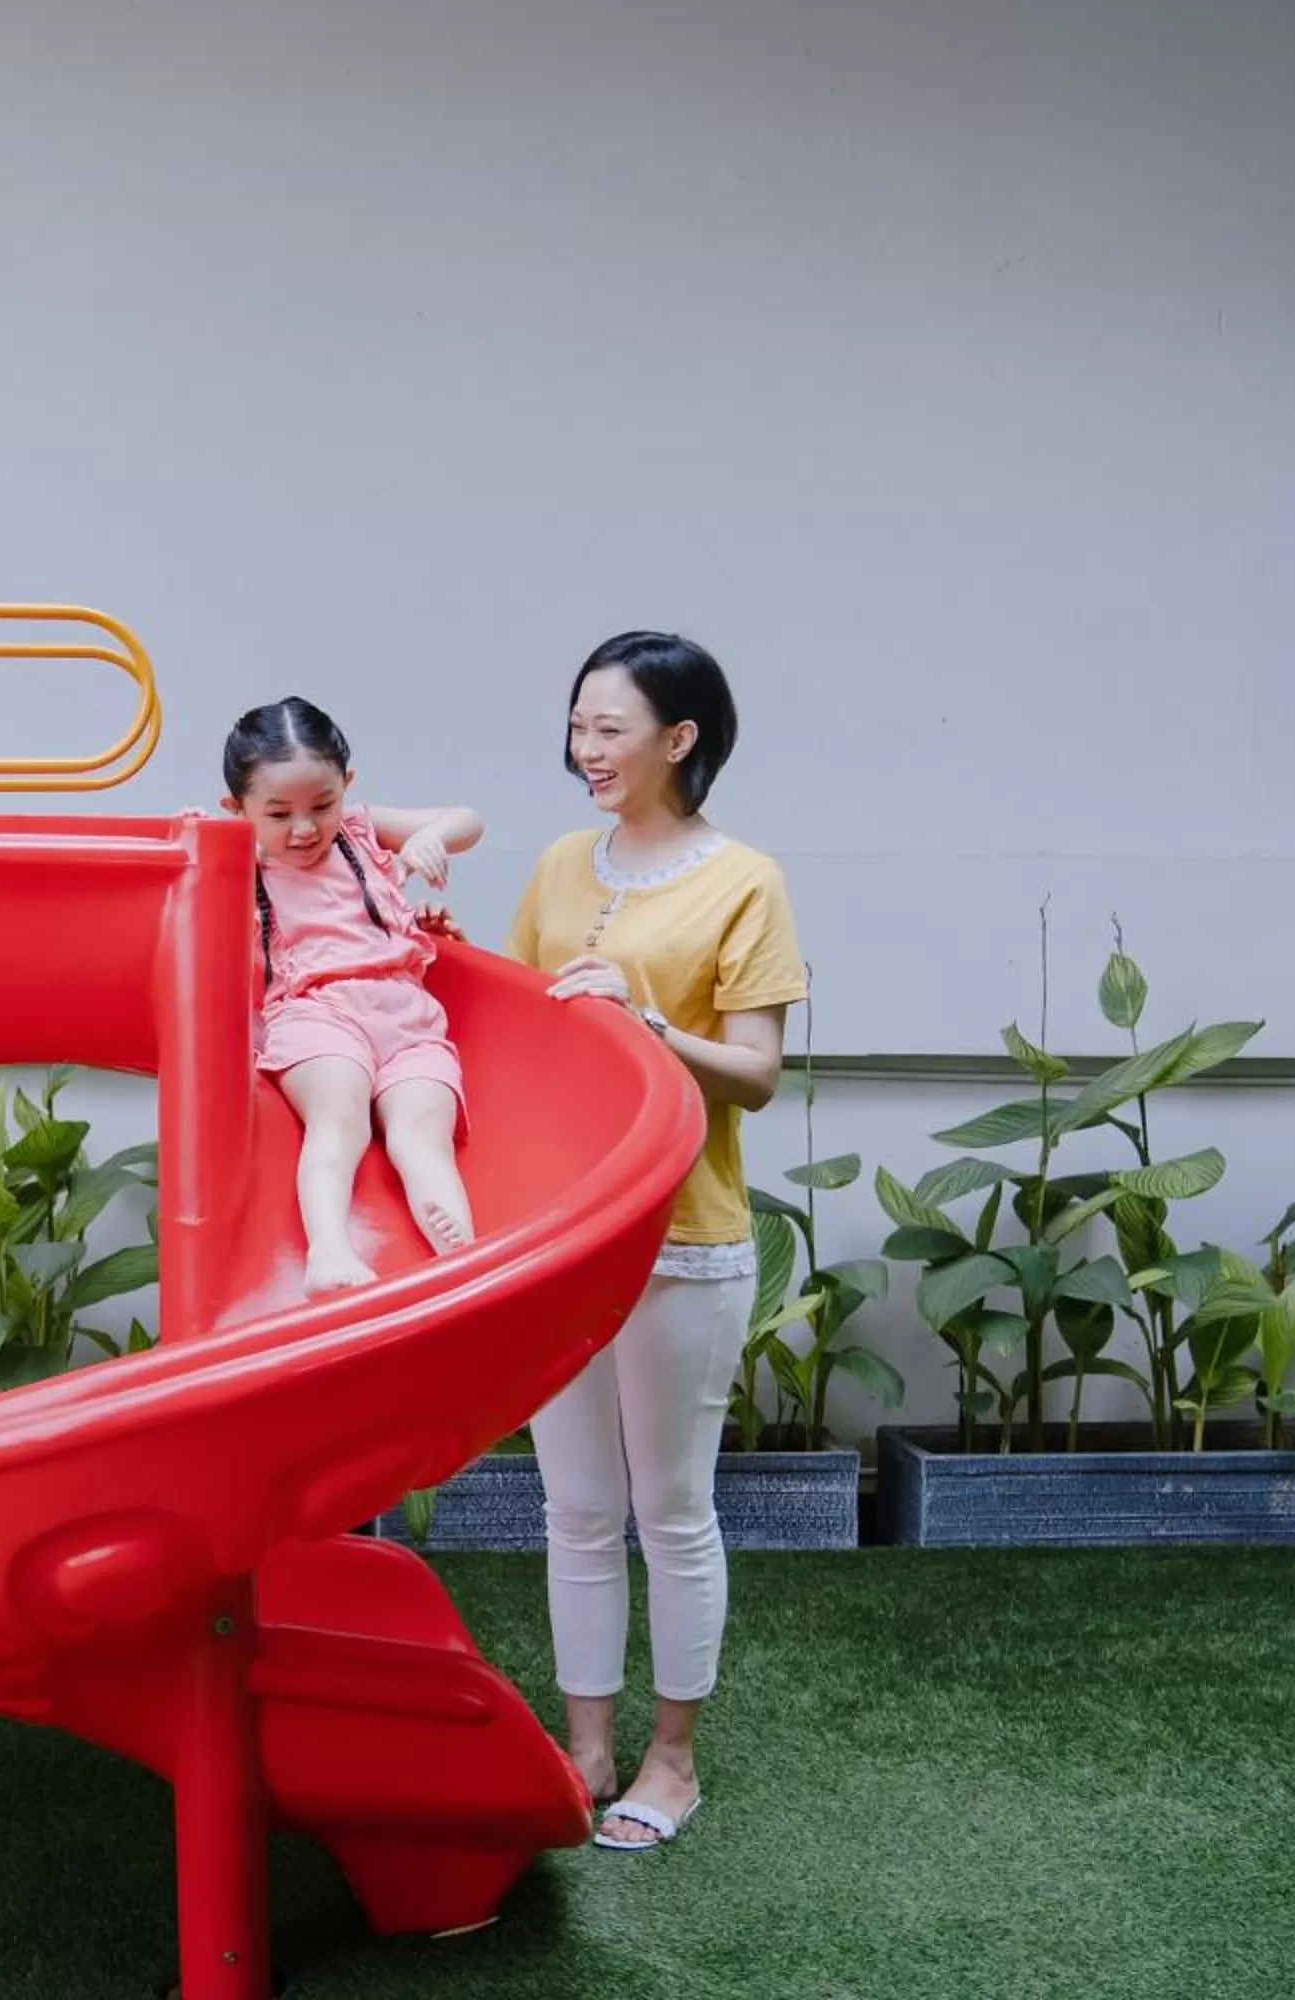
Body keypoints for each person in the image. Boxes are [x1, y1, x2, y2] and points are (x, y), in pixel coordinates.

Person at [503, 631, 805, 1853]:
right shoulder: (556, 865)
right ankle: (585, 1746)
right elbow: (518, 1030)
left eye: (610, 728)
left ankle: (671, 1758)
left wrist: (647, 1023)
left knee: (671, 1507)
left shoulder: (747, 880)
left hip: (684, 1237)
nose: (586, 748)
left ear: (679, 738)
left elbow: (759, 1073)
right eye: (578, 724)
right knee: (575, 1506)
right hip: (563, 1236)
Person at [220, 697, 485, 1295]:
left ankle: (460, 1255)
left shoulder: (360, 832)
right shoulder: (239, 860)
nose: (304, 827)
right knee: (339, 1116)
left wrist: (429, 839)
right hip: (317, 1012)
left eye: (323, 804)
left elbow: (468, 820)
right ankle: (330, 1251)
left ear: (347, 786)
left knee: (423, 1132)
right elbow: (174, 859)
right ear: (237, 810)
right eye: (278, 813)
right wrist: (224, 842)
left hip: (407, 1016)